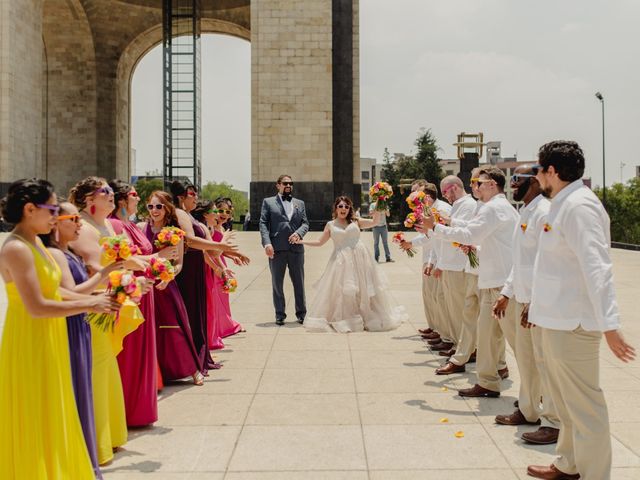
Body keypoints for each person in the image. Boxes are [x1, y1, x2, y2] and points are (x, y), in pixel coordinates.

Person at [526, 141, 635, 480]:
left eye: (540, 170)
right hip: (554, 319)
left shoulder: (580, 206)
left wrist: (610, 324)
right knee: (567, 404)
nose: (537, 177)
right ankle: (568, 464)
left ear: (552, 172)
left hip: (573, 323)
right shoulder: (561, 203)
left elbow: (597, 267)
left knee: (585, 408)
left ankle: (594, 474)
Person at [0, 178, 119, 478]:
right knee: (35, 413)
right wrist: (90, 305)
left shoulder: (36, 243)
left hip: (50, 337)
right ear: (29, 209)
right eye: (51, 209)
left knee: (55, 412)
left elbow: (59, 293)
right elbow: (37, 306)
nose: (55, 217)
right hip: (30, 338)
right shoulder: (15, 248)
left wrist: (98, 294)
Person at [419, 166, 518, 398]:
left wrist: (435, 227)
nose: (473, 186)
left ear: (492, 184)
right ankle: (487, 382)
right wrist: (475, 247)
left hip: (500, 283)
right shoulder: (495, 207)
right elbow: (481, 238)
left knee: (516, 342)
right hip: (491, 279)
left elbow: (469, 233)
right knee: (486, 334)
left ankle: (538, 391)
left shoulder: (494, 208)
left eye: (477, 182)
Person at [42, 201, 125, 479]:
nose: (80, 223)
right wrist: (107, 272)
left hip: (82, 323)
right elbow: (70, 292)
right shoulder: (55, 254)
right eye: (73, 218)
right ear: (55, 223)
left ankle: (85, 455)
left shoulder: (71, 252)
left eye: (80, 218)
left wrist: (117, 288)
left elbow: (85, 291)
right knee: (77, 385)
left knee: (84, 386)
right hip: (69, 324)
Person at [492, 165, 560, 445]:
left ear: (534, 181)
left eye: (517, 179)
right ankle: (530, 411)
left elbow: (546, 263)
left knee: (546, 364)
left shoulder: (543, 212)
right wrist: (507, 292)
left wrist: (534, 302)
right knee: (528, 361)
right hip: (522, 300)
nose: (512, 184)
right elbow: (520, 263)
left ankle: (554, 422)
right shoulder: (526, 212)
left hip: (538, 304)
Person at [297, 196, 407, 332]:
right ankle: (348, 317)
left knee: (363, 287)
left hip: (360, 258)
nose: (343, 209)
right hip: (341, 261)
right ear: (336, 208)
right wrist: (301, 241)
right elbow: (319, 242)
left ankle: (365, 314)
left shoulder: (356, 221)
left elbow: (375, 221)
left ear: (350, 209)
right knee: (343, 290)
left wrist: (380, 201)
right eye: (341, 206)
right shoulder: (330, 225)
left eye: (346, 206)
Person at [139, 190, 204, 385]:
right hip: (147, 286)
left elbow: (179, 264)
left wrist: (169, 277)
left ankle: (192, 369)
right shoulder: (141, 228)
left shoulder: (175, 233)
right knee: (149, 330)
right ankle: (156, 373)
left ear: (167, 208)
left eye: (159, 206)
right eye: (151, 206)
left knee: (175, 328)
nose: (154, 210)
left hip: (167, 286)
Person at [259, 174, 309, 325]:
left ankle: (301, 313)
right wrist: (267, 243)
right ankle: (280, 314)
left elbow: (305, 223)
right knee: (277, 283)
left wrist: (298, 233)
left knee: (299, 283)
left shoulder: (300, 203)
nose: (288, 186)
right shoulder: (268, 202)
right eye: (285, 183)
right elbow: (263, 223)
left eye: (291, 183)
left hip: (296, 249)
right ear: (278, 185)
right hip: (276, 249)